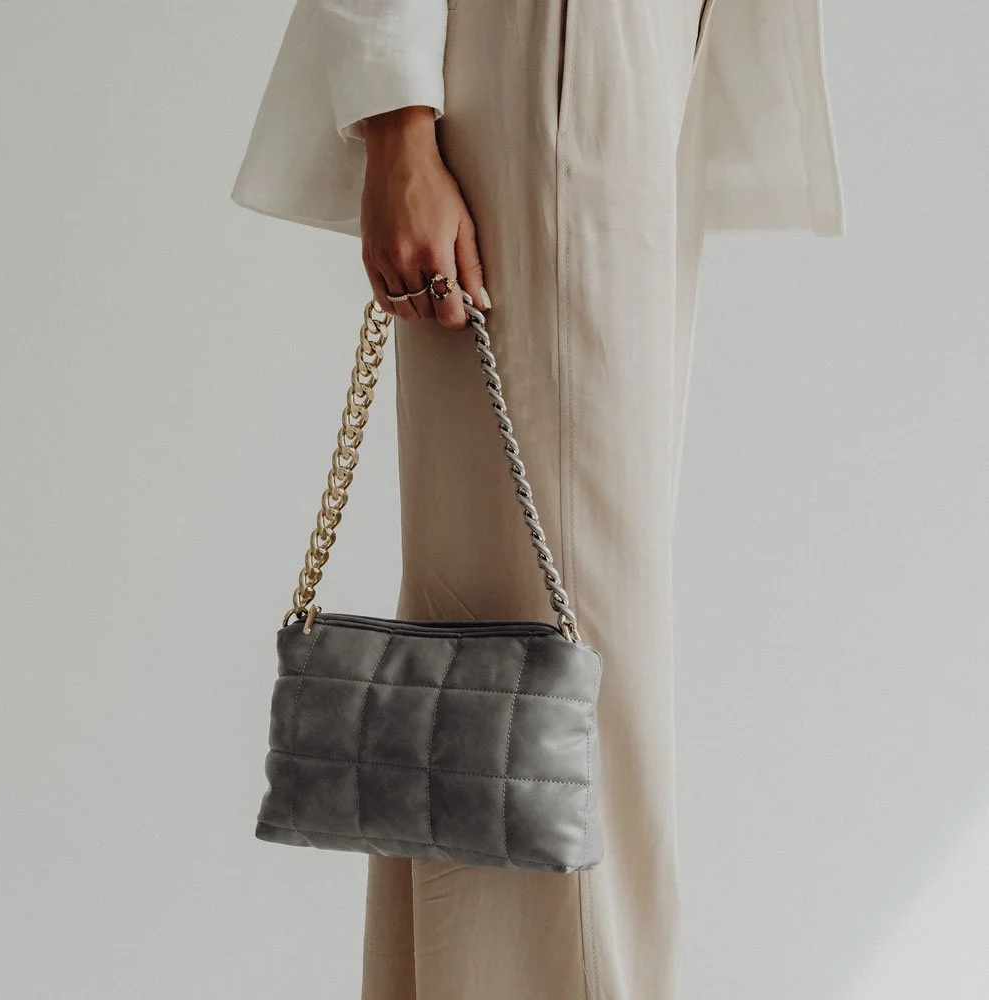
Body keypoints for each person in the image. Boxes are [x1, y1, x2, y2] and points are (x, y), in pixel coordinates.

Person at [230, 1, 844, 998]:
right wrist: (397, 122)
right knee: (554, 669)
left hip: (647, 49)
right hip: (552, 50)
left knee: (525, 660)